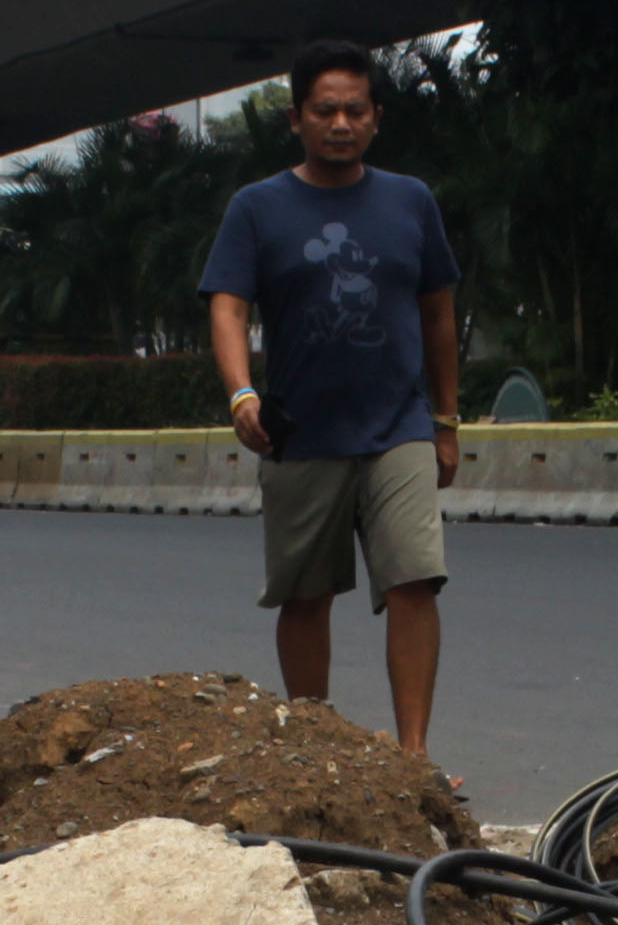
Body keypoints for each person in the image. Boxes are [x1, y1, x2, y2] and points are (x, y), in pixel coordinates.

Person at [198, 38, 462, 762]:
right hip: (300, 431)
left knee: (414, 578)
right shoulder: (257, 208)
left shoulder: (410, 201)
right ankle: (315, 752)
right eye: (325, 111)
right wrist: (241, 394)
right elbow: (227, 307)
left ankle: (413, 756)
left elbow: (439, 313)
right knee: (306, 596)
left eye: (354, 110)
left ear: (376, 117)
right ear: (296, 119)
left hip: (399, 425)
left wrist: (446, 420)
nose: (340, 123)